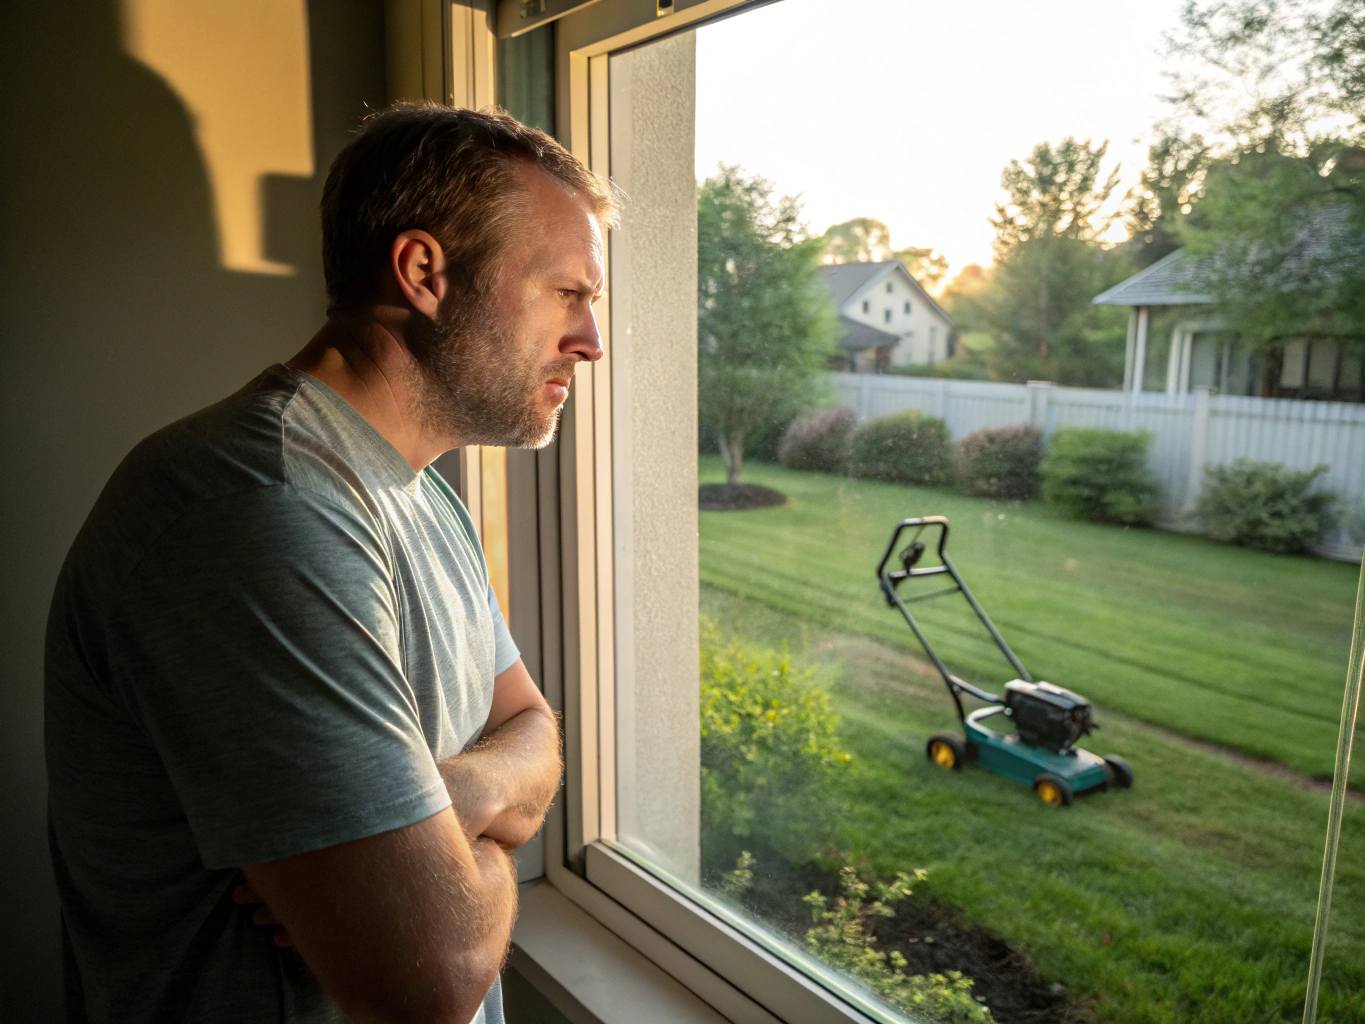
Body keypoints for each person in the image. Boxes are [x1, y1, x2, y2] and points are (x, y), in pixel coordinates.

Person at [44, 102, 618, 1024]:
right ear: (425, 272)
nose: (592, 340)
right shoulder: (259, 509)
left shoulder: (424, 493)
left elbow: (533, 726)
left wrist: (454, 794)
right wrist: (482, 835)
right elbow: (433, 975)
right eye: (567, 293)